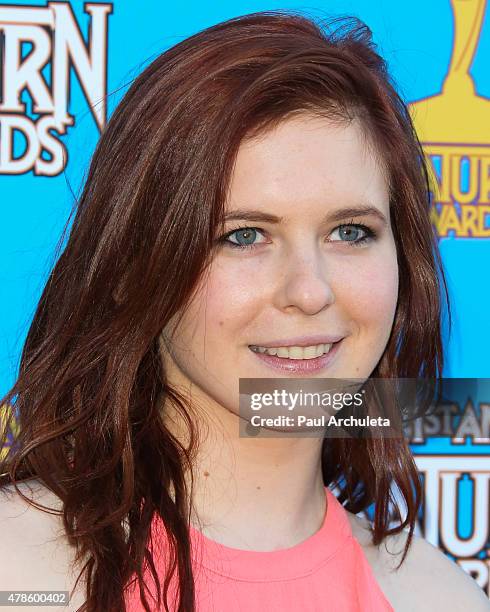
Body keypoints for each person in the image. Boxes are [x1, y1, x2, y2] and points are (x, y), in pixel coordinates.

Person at [0, 10, 488, 612]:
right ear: (132, 266)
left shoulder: (438, 600)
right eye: (244, 236)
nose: (309, 292)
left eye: (352, 232)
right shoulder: (19, 576)